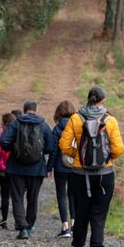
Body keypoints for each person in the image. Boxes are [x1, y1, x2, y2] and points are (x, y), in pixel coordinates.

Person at [60, 87, 124, 247]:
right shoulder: (110, 121)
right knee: (99, 213)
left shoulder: (75, 118)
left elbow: (64, 145)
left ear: (88, 99)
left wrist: (77, 155)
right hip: (105, 174)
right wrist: (105, 157)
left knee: (81, 212)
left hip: (80, 175)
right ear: (102, 101)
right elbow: (118, 149)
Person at [0, 100, 54, 240]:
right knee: (33, 199)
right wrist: (45, 162)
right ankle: (29, 226)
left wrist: (15, 149)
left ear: (24, 110)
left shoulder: (16, 123)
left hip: (16, 167)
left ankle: (22, 227)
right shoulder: (43, 125)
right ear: (36, 109)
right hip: (37, 169)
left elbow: (3, 140)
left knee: (17, 198)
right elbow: (51, 147)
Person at [50, 100, 77, 238]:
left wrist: (49, 168)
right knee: (72, 195)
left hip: (60, 167)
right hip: (74, 167)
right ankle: (74, 225)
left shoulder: (56, 129)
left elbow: (53, 150)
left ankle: (65, 227)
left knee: (61, 195)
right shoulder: (77, 126)